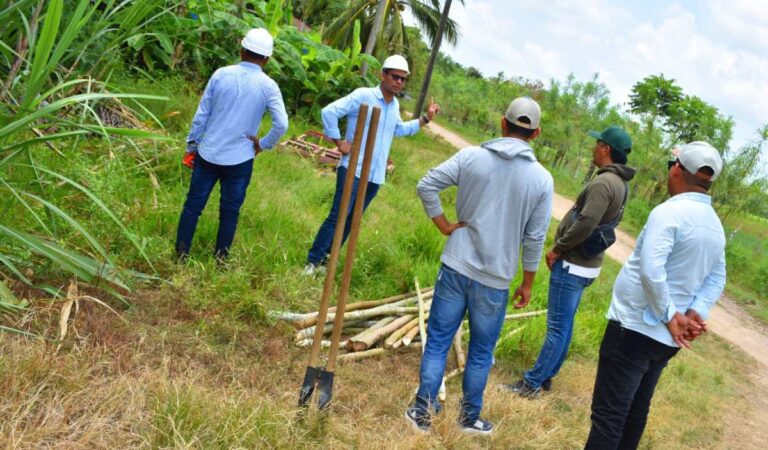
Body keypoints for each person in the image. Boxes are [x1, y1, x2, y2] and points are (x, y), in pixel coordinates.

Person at [404, 97, 554, 436]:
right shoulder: (541, 180)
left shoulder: (471, 156)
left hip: (456, 265)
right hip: (495, 279)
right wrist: (528, 283)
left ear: (503, 123)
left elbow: (426, 184)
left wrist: (442, 224)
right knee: (482, 351)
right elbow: (534, 239)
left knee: (439, 339)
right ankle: (469, 417)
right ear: (536, 133)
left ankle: (422, 411)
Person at [584, 141, 726, 449]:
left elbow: (651, 269)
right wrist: (692, 313)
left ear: (677, 170)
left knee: (609, 416)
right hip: (664, 341)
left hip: (635, 329)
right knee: (635, 412)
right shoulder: (715, 225)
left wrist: (671, 316)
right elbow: (717, 276)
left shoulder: (669, 212)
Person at [504, 126, 635, 397]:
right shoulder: (620, 184)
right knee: (564, 325)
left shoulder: (603, 183)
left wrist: (559, 248)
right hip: (588, 265)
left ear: (606, 149)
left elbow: (587, 221)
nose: (593, 149)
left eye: (596, 143)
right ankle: (547, 376)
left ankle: (532, 383)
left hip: (573, 263)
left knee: (556, 327)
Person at [302, 55, 440, 275]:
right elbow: (329, 112)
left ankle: (327, 260)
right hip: (353, 170)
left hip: (375, 176)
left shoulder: (393, 105)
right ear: (382, 75)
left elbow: (400, 129)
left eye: (403, 79)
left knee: (351, 219)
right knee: (338, 216)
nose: (399, 83)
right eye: (395, 77)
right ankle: (312, 262)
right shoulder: (364, 96)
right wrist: (339, 143)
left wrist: (426, 119)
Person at [175, 28, 288, 261]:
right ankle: (220, 260)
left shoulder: (220, 75)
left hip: (208, 153)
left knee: (193, 207)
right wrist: (263, 144)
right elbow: (282, 124)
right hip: (240, 159)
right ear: (267, 59)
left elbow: (201, 116)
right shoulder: (268, 86)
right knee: (229, 213)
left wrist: (191, 147)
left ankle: (181, 254)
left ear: (241, 49)